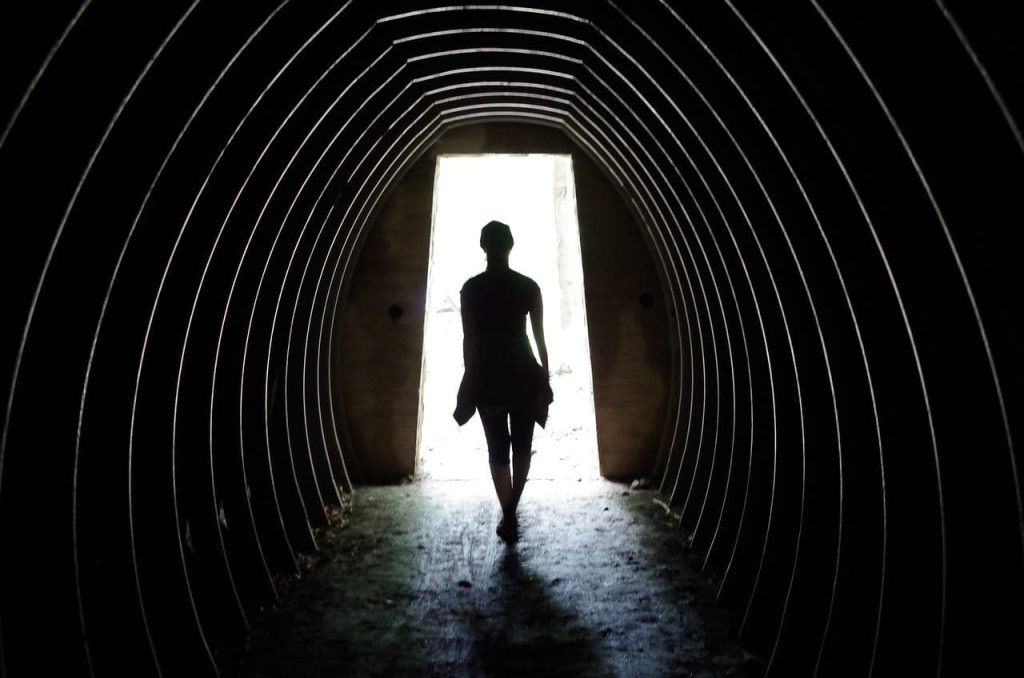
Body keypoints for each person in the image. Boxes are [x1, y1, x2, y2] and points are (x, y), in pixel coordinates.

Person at [453, 220, 553, 542]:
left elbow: (468, 340)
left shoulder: (470, 289)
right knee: (523, 446)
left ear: (483, 247)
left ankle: (507, 514)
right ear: (511, 246)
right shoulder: (528, 286)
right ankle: (511, 512)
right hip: (523, 373)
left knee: (497, 449)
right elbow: (540, 339)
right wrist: (546, 377)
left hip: (489, 375)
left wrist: (471, 376)